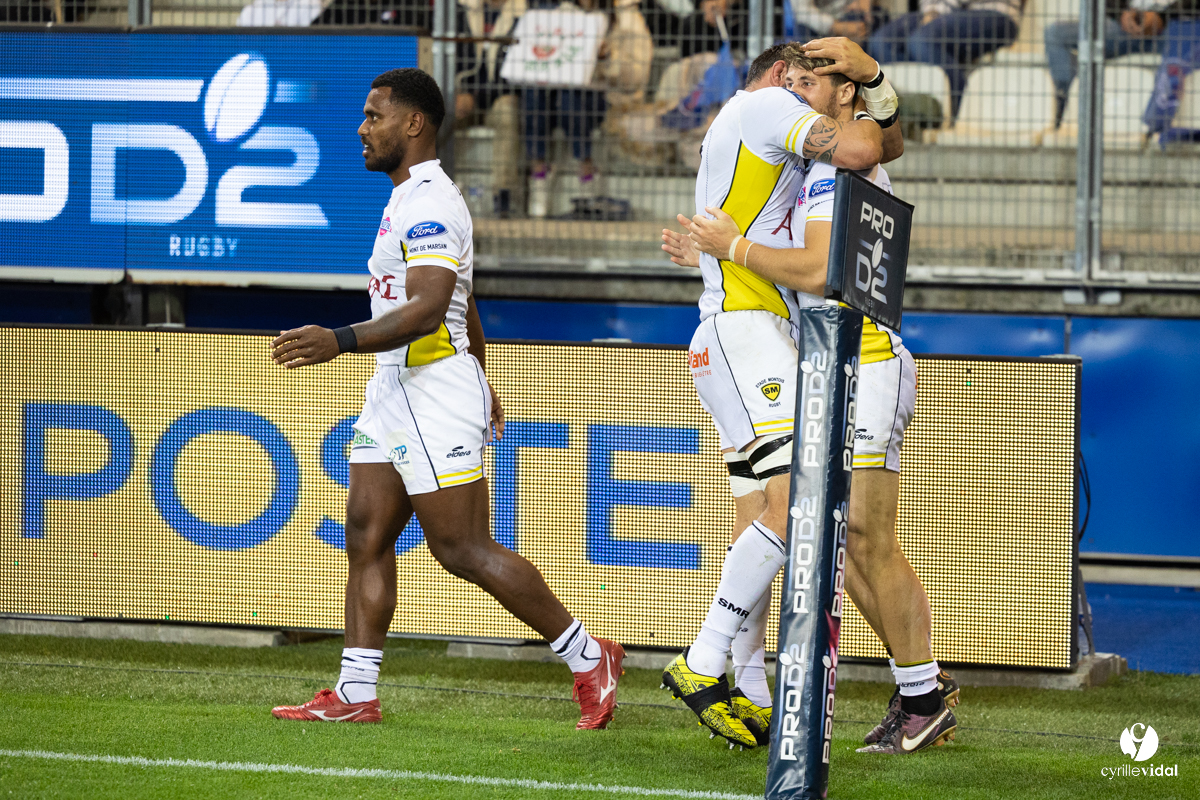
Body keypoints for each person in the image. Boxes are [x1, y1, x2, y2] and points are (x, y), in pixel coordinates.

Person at [268, 68, 625, 729]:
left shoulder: (430, 199)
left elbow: (432, 309)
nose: (362, 128)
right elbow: (465, 300)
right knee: (366, 534)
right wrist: (485, 376)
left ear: (413, 124)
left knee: (460, 548)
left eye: (374, 115)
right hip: (395, 388)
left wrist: (339, 340)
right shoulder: (407, 197)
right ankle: (355, 693)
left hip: (432, 389)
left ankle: (588, 655)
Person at [662, 46, 961, 756]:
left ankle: (917, 693)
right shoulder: (816, 160)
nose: (796, 90)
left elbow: (825, 272)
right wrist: (718, 250)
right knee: (834, 536)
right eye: (791, 79)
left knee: (859, 537)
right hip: (822, 354)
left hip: (864, 356)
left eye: (811, 80)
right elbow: (876, 143)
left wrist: (732, 250)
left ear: (844, 92)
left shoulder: (835, 169)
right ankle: (901, 690)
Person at [868, 0, 1023, 113]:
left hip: (996, 12)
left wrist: (938, 11)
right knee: (880, 43)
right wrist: (933, 11)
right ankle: (913, 109)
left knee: (922, 41)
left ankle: (958, 112)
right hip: (939, 11)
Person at [1044, 0, 1167, 124]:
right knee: (1054, 33)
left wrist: (1162, 17)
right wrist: (1121, 14)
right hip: (1122, 28)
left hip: (1169, 29)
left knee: (1180, 43)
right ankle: (1062, 97)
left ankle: (1155, 127)